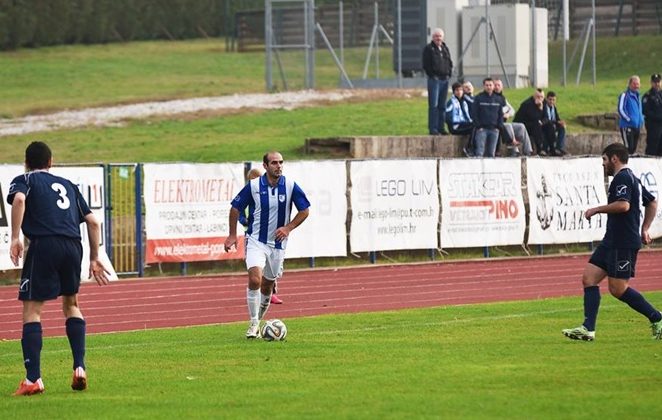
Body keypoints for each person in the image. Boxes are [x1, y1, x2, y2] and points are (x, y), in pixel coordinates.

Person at [7, 141, 110, 396]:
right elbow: (93, 222)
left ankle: (33, 379)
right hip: (73, 246)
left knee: (32, 310)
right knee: (71, 305)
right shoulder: (69, 185)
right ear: (50, 162)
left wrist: (15, 237)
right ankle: (79, 368)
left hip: (44, 245)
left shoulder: (25, 180)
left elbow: (19, 200)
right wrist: (94, 257)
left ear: (26, 162)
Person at [563, 143, 662, 341]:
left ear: (614, 158)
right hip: (612, 240)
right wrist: (644, 228)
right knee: (589, 278)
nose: (603, 164)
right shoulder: (632, 178)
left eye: (604, 160)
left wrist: (596, 209)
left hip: (623, 242)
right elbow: (651, 201)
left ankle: (657, 318)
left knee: (618, 289)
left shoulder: (623, 178)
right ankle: (587, 329)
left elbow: (624, 205)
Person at [224, 151, 310, 338]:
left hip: (278, 245)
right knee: (255, 279)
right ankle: (253, 323)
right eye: (274, 163)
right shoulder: (254, 186)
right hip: (256, 240)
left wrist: (288, 228)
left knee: (267, 286)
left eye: (280, 162)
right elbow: (235, 207)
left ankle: (259, 319)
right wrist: (232, 235)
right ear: (265, 166)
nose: (278, 166)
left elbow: (304, 210)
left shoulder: (290, 185)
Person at [239, 168, 283, 305]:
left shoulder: (269, 194)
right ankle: (258, 294)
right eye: (252, 179)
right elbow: (239, 212)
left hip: (270, 237)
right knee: (256, 267)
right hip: (252, 237)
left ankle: (271, 293)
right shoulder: (248, 193)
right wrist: (245, 220)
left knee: (272, 269)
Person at [422, 28, 453, 135]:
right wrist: (432, 75)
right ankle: (433, 128)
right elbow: (426, 65)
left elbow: (449, 62)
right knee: (433, 105)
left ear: (442, 37)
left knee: (442, 106)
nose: (438, 38)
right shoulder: (429, 49)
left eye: (440, 36)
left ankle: (441, 127)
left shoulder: (445, 48)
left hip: (445, 80)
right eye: (436, 36)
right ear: (433, 37)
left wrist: (449, 74)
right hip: (434, 80)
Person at [494, 79, 533, 156]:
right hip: (496, 123)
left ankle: (528, 151)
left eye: (499, 85)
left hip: (503, 122)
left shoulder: (502, 98)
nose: (497, 87)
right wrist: (502, 113)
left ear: (502, 87)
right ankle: (514, 151)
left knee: (521, 126)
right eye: (495, 85)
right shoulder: (491, 98)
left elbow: (512, 110)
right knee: (508, 126)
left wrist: (508, 114)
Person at [470, 77, 503, 158]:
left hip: (494, 130)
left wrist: (498, 127)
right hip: (482, 130)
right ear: (484, 86)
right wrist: (478, 126)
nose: (489, 87)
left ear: (493, 86)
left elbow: (500, 114)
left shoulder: (498, 99)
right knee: (479, 152)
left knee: (491, 153)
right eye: (487, 85)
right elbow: (474, 113)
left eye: (490, 85)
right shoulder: (479, 98)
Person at [514, 89, 549, 156]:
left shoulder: (543, 102)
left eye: (541, 97)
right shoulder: (527, 104)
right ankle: (539, 149)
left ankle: (552, 149)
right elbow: (534, 118)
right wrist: (539, 109)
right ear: (534, 96)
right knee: (536, 125)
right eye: (538, 97)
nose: (540, 99)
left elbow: (546, 117)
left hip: (537, 123)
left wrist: (542, 122)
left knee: (549, 126)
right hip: (524, 124)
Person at [617, 75, 644, 154]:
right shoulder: (625, 95)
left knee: (633, 149)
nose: (636, 86)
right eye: (634, 84)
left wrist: (641, 120)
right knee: (628, 148)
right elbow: (620, 109)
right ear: (630, 84)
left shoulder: (639, 96)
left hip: (637, 126)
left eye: (637, 84)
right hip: (627, 126)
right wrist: (629, 119)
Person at [542, 91, 568, 156]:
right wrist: (556, 122)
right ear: (546, 99)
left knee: (562, 128)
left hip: (553, 125)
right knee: (550, 127)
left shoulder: (554, 108)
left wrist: (561, 122)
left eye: (553, 100)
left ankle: (559, 148)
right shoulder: (544, 107)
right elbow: (546, 119)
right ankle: (549, 149)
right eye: (550, 99)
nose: (552, 102)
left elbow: (557, 118)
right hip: (545, 126)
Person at [642, 73, 662, 156]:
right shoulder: (648, 96)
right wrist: (658, 117)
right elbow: (645, 111)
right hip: (653, 125)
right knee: (653, 146)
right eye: (655, 82)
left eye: (658, 82)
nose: (657, 84)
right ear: (651, 83)